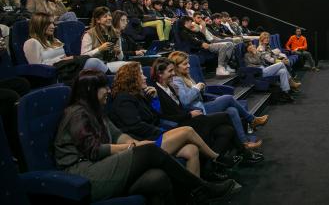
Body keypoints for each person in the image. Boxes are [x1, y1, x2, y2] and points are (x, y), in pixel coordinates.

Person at [54, 70, 240, 203]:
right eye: (104, 87)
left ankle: (193, 196)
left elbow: (119, 136)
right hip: (85, 173)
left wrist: (135, 143)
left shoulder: (97, 111)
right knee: (149, 150)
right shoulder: (76, 113)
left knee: (156, 177)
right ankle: (203, 188)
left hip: (103, 164)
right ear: (90, 91)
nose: (108, 91)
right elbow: (93, 151)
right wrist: (134, 148)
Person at [109, 62, 241, 180]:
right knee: (190, 129)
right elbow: (136, 126)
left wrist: (153, 99)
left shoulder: (139, 96)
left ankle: (197, 191)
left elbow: (155, 116)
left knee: (192, 149)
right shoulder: (123, 99)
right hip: (147, 141)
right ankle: (216, 158)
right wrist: (164, 131)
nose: (144, 78)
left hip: (159, 132)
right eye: (141, 74)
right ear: (131, 78)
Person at [151, 57, 263, 165]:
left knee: (227, 129)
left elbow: (180, 107)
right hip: (181, 124)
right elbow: (164, 116)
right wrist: (189, 114)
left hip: (191, 117)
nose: (173, 73)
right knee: (226, 115)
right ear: (160, 74)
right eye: (170, 71)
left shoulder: (170, 86)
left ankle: (212, 166)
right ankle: (244, 151)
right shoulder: (155, 91)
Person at [168, 51, 268, 149]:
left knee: (232, 111)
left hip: (202, 106)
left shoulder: (185, 76)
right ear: (176, 66)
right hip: (197, 112)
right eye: (185, 64)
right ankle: (252, 120)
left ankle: (244, 143)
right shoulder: (176, 80)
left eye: (188, 63)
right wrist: (197, 88)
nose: (189, 65)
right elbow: (185, 101)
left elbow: (195, 96)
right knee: (228, 98)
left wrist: (200, 90)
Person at [23, 12, 110, 73]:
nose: (53, 26)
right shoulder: (32, 42)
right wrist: (60, 60)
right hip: (57, 72)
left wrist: (65, 59)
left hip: (67, 68)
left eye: (53, 23)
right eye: (49, 24)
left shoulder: (55, 41)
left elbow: (64, 57)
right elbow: (36, 68)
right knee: (92, 62)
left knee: (92, 65)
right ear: (39, 25)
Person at [81, 6, 128, 73]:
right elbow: (83, 56)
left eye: (109, 15)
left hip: (110, 64)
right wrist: (100, 49)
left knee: (134, 65)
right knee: (93, 61)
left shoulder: (116, 33)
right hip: (96, 64)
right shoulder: (89, 34)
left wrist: (119, 52)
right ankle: (108, 75)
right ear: (98, 20)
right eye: (105, 16)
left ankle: (108, 74)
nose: (109, 18)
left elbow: (121, 58)